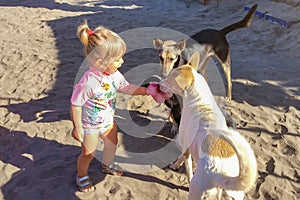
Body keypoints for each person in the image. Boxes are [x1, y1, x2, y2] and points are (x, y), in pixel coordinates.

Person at [70, 21, 151, 193]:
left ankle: (107, 165)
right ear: (100, 61)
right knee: (88, 153)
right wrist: (78, 128)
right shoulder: (89, 82)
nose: (122, 61)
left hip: (108, 120)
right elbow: (75, 104)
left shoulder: (114, 74)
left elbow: (126, 87)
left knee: (112, 145)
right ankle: (82, 175)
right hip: (90, 125)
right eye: (117, 59)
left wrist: (145, 90)